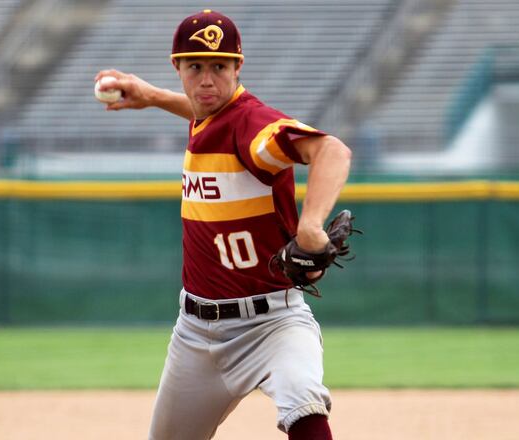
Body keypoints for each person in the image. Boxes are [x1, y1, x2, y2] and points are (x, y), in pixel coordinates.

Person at [95, 9, 352, 440]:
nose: (207, 80)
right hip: (195, 333)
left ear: (238, 67)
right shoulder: (209, 115)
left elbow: (332, 151)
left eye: (219, 67)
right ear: (176, 66)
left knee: (303, 402)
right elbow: (201, 109)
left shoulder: (253, 128)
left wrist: (310, 227)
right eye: (195, 66)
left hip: (272, 323)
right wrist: (152, 96)